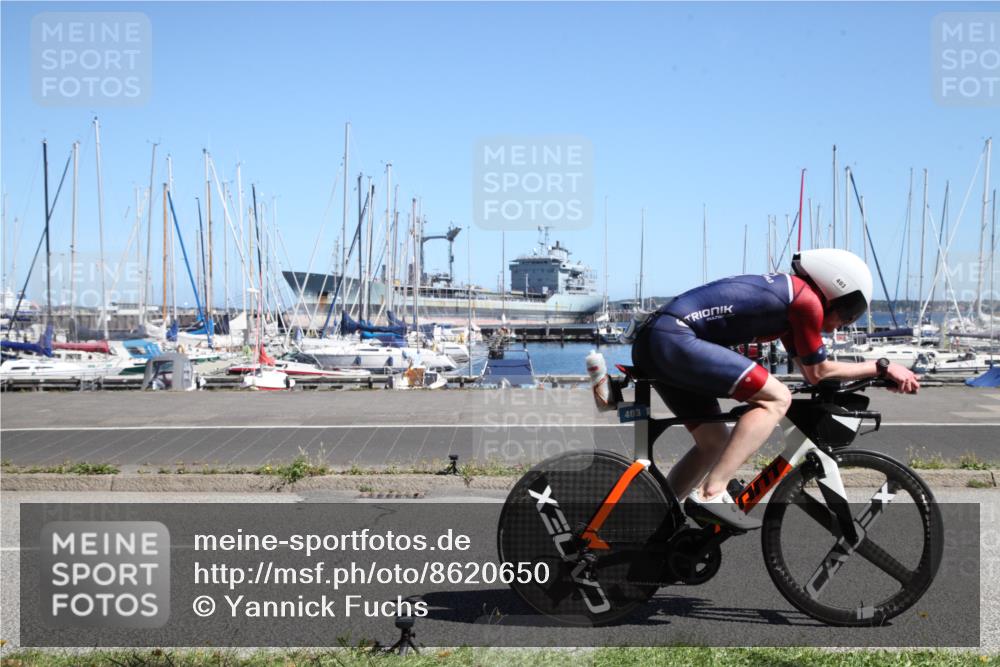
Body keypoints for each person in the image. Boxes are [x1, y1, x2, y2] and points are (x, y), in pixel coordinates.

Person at [630, 248, 919, 531]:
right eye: (848, 313)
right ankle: (710, 493)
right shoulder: (806, 301)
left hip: (659, 341)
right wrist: (882, 366)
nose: (838, 326)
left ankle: (651, 525)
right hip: (674, 338)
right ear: (833, 288)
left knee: (714, 443)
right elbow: (819, 371)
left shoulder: (791, 303)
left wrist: (876, 375)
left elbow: (812, 373)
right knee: (776, 398)